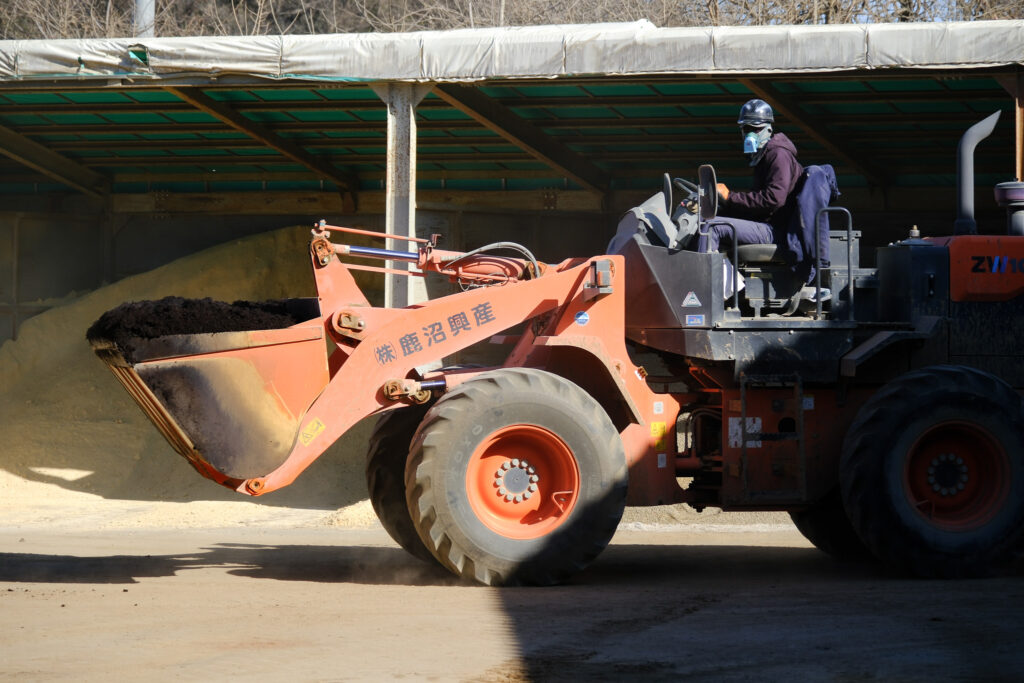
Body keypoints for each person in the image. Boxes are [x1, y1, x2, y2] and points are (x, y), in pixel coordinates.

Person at [699, 99, 803, 256]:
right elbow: (758, 205)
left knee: (711, 227)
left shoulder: (778, 155)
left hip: (776, 229)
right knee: (704, 220)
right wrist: (723, 204)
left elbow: (774, 199)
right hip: (765, 224)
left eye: (756, 129)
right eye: (746, 129)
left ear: (769, 130)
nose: (750, 134)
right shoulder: (763, 157)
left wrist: (730, 196)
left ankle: (701, 272)